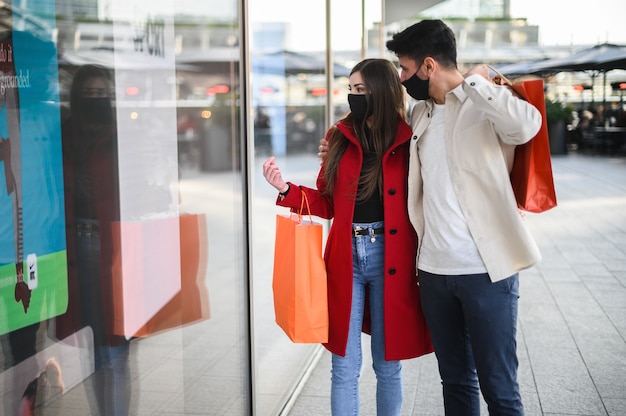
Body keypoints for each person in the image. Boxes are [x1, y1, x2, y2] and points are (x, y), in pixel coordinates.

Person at [384, 19, 542, 415]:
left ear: (429, 66)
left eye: (405, 68)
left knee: (499, 387)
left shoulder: (484, 104)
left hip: (486, 270)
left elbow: (528, 126)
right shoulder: (420, 115)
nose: (402, 78)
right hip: (434, 272)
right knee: (455, 382)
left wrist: (478, 81)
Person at [263, 58, 432, 416]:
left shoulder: (408, 138)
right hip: (346, 257)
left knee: (388, 366)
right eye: (351, 89)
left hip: (392, 257)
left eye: (362, 90)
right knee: (343, 365)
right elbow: (326, 201)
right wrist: (285, 189)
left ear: (382, 92)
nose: (354, 96)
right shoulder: (337, 136)